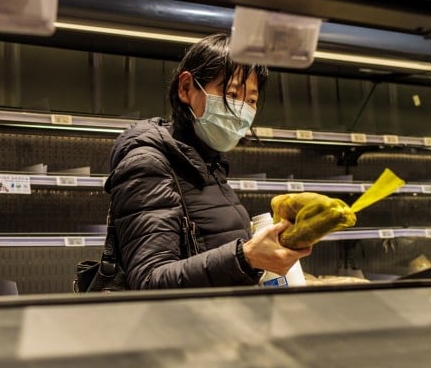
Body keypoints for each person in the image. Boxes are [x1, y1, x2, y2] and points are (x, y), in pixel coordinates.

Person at [104, 33, 310, 289]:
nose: (241, 110)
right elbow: (149, 281)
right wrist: (245, 257)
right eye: (232, 94)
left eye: (252, 100)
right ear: (186, 88)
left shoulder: (208, 162)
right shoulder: (148, 162)